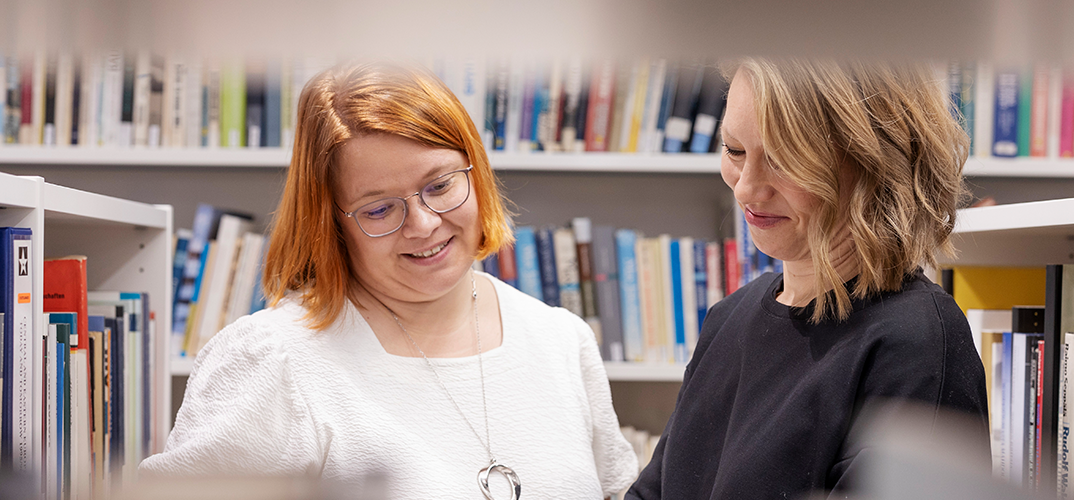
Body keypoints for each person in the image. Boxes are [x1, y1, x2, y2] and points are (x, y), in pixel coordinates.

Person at [139, 61, 638, 499]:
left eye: (440, 185)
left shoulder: (560, 339)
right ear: (331, 221)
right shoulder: (275, 359)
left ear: (477, 173)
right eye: (379, 208)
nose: (423, 224)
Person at [626, 58, 989, 499]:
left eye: (783, 160)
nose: (745, 188)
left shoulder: (918, 343)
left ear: (873, 164)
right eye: (735, 150)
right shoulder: (728, 319)